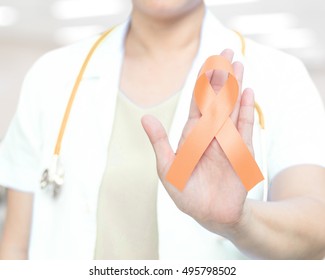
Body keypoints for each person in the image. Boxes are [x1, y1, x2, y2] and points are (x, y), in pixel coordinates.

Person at [0, 0, 325, 260]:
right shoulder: (52, 76)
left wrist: (241, 221)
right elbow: (14, 249)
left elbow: (316, 228)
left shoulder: (281, 77)